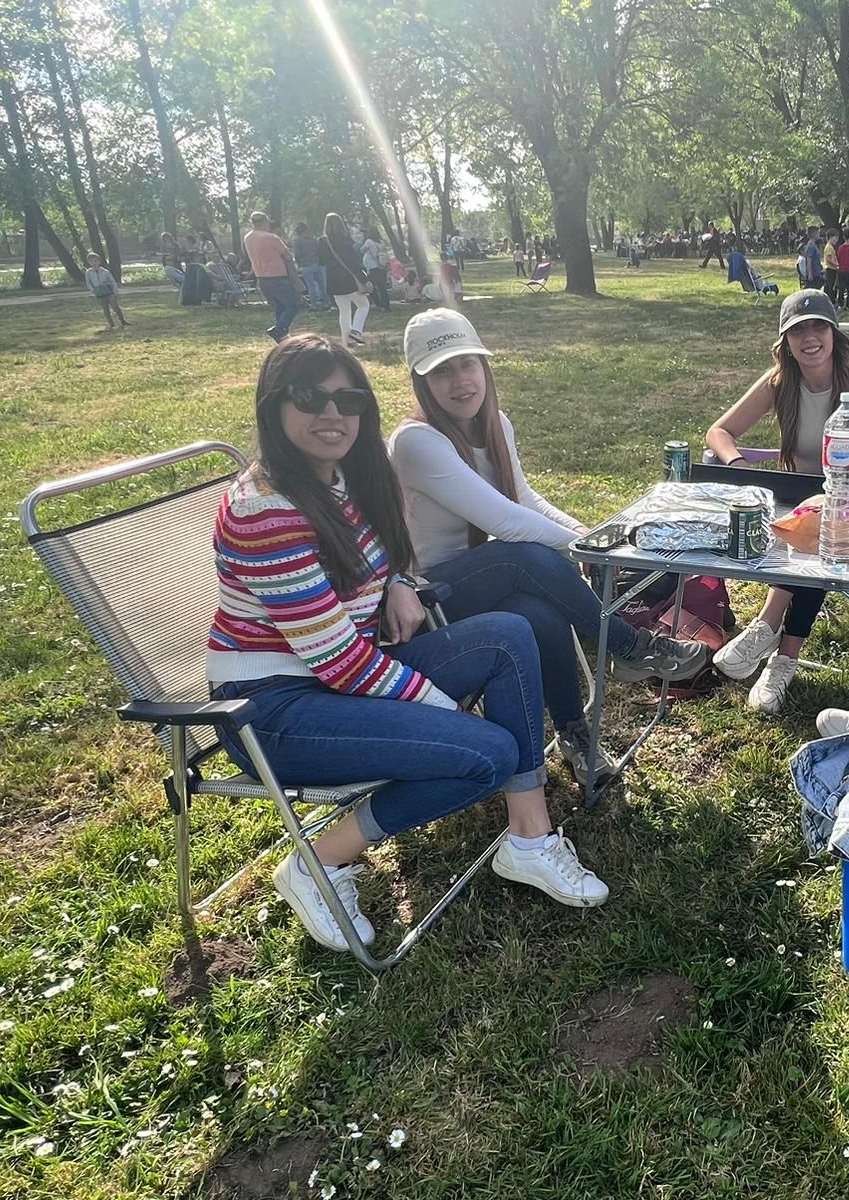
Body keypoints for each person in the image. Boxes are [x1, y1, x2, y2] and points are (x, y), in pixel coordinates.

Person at [207, 334, 610, 952]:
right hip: (275, 712)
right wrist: (441, 708)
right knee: (488, 753)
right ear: (274, 404)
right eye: (310, 398)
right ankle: (318, 860)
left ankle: (529, 840)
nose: (333, 414)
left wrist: (397, 581)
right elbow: (340, 663)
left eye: (350, 400)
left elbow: (380, 560)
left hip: (345, 674)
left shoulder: (342, 477)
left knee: (509, 633)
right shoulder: (267, 512)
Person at [386, 310, 706, 784]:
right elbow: (504, 521)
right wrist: (587, 549)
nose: (460, 381)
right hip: (429, 598)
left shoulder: (496, 424)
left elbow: (523, 498)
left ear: (484, 367)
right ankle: (628, 645)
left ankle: (574, 732)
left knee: (540, 612)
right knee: (525, 556)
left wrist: (591, 536)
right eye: (442, 371)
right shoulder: (416, 441)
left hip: (481, 580)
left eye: (468, 364)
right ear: (421, 382)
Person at [704, 289, 849, 711]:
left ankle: (773, 638)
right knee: (811, 529)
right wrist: (738, 465)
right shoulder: (780, 381)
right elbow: (718, 432)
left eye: (818, 327)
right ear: (786, 341)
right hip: (794, 501)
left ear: (834, 333)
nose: (810, 337)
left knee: (822, 532)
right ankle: (778, 650)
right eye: (798, 330)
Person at [243, 211, 301, 343]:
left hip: (262, 278)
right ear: (265, 222)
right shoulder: (271, 237)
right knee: (294, 304)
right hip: (278, 277)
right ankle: (279, 330)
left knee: (279, 307)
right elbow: (287, 255)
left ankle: (283, 337)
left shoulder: (247, 238)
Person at [319, 213, 370, 347]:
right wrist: (364, 279)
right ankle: (356, 332)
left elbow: (322, 260)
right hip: (349, 279)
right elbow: (353, 261)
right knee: (364, 305)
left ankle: (347, 342)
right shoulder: (345, 240)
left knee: (344, 311)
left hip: (334, 281)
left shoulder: (323, 241)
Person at [84, 252, 129, 330]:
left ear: (99, 261)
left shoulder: (105, 271)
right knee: (105, 309)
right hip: (99, 293)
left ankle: (122, 320)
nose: (94, 263)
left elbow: (112, 281)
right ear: (89, 262)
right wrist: (93, 290)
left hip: (109, 292)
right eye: (91, 261)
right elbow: (88, 283)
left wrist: (115, 291)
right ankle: (111, 324)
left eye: (95, 261)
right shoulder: (88, 273)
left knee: (115, 307)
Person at [292, 222, 327, 312]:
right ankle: (325, 303)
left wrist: (299, 264)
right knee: (322, 285)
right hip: (317, 264)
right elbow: (319, 251)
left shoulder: (297, 241)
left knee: (311, 286)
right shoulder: (313, 240)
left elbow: (297, 255)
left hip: (306, 265)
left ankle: (314, 305)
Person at [359, 226, 390, 311]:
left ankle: (380, 303)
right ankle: (385, 304)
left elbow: (362, 250)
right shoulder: (381, 242)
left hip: (373, 267)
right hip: (380, 266)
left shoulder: (369, 241)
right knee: (381, 286)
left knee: (370, 286)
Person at [833, 232, 849, 309]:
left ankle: (841, 303)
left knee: (841, 288)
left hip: (841, 270)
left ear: (843, 237)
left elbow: (838, 258)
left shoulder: (840, 247)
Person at [823, 231, 842, 303]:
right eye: (835, 238)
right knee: (831, 286)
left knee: (831, 286)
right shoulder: (829, 247)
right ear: (830, 237)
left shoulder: (831, 247)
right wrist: (837, 264)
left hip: (832, 269)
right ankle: (831, 301)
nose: (836, 240)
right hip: (830, 269)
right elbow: (829, 258)